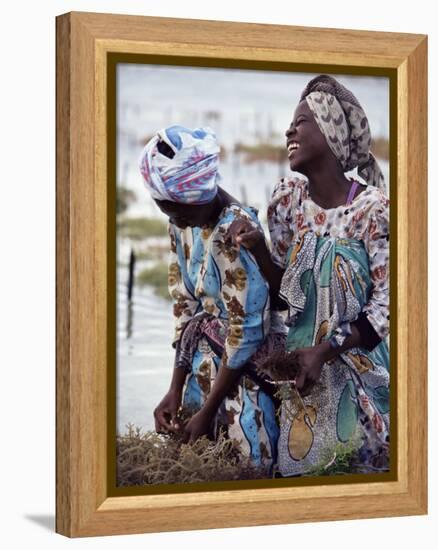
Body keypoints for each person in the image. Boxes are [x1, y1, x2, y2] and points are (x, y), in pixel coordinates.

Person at [228, 75, 390, 476]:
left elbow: (389, 306)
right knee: (302, 476)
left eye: (301, 122)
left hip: (360, 368)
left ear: (331, 133)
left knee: (357, 471)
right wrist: (260, 249)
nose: (288, 130)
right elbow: (286, 296)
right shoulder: (289, 203)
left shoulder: (373, 210)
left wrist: (326, 350)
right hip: (305, 374)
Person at [138, 125, 283, 475]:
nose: (174, 221)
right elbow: (185, 304)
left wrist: (208, 411)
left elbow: (247, 329)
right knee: (190, 462)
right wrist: (175, 388)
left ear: (195, 198)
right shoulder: (182, 221)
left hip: (241, 375)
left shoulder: (234, 233)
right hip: (203, 363)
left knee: (244, 466)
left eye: (176, 212)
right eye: (167, 213)